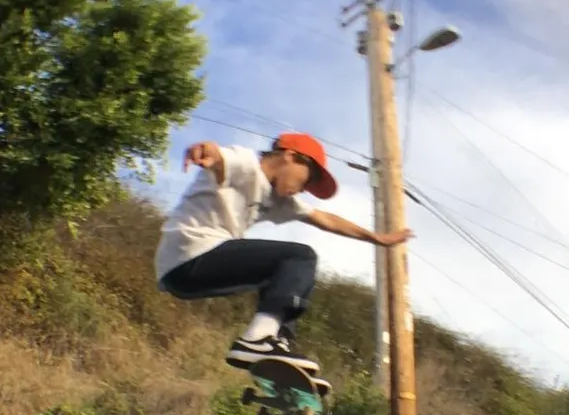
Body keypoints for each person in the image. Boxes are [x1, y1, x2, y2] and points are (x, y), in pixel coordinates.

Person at [155, 132, 414, 387]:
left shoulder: (279, 200)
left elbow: (326, 219)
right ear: (290, 157)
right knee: (300, 257)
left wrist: (376, 238)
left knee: (290, 278)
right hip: (190, 254)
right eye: (305, 181)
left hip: (188, 275)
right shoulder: (246, 165)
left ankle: (277, 350)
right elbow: (221, 159)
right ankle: (256, 340)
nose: (302, 190)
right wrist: (207, 150)